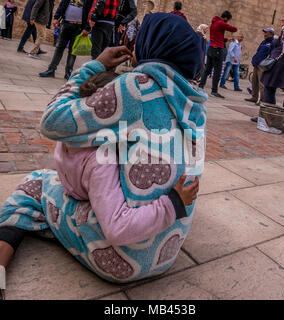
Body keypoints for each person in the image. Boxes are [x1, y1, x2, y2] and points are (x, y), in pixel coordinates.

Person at [0, 13, 207, 290]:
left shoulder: (135, 88)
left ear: (151, 43)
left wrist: (94, 65)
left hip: (121, 258)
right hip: (165, 250)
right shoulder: (194, 102)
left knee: (35, 184)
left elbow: (52, 122)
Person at [39, 0, 93, 80]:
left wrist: (87, 28)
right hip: (65, 24)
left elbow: (90, 12)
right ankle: (51, 70)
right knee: (59, 48)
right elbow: (62, 5)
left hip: (78, 27)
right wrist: (56, 17)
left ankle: (68, 73)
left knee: (72, 51)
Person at [260, 10, 284, 107]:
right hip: (279, 63)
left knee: (269, 89)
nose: (282, 19)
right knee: (269, 89)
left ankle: (268, 115)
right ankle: (267, 114)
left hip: (277, 63)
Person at [199, 10, 238, 98]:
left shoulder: (214, 23)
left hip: (211, 49)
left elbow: (218, 36)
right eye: (227, 20)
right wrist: (232, 29)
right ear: (225, 18)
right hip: (217, 50)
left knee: (207, 69)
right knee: (217, 71)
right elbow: (233, 29)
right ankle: (214, 91)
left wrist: (226, 39)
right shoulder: (221, 23)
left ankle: (201, 86)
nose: (227, 22)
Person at [245, 28, 275, 107]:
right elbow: (258, 51)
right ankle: (254, 97)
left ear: (271, 33)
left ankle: (262, 100)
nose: (265, 34)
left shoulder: (272, 43)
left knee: (262, 84)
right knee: (254, 82)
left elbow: (272, 55)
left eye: (266, 32)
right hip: (256, 64)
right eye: (264, 32)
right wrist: (254, 59)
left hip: (263, 66)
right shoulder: (263, 42)